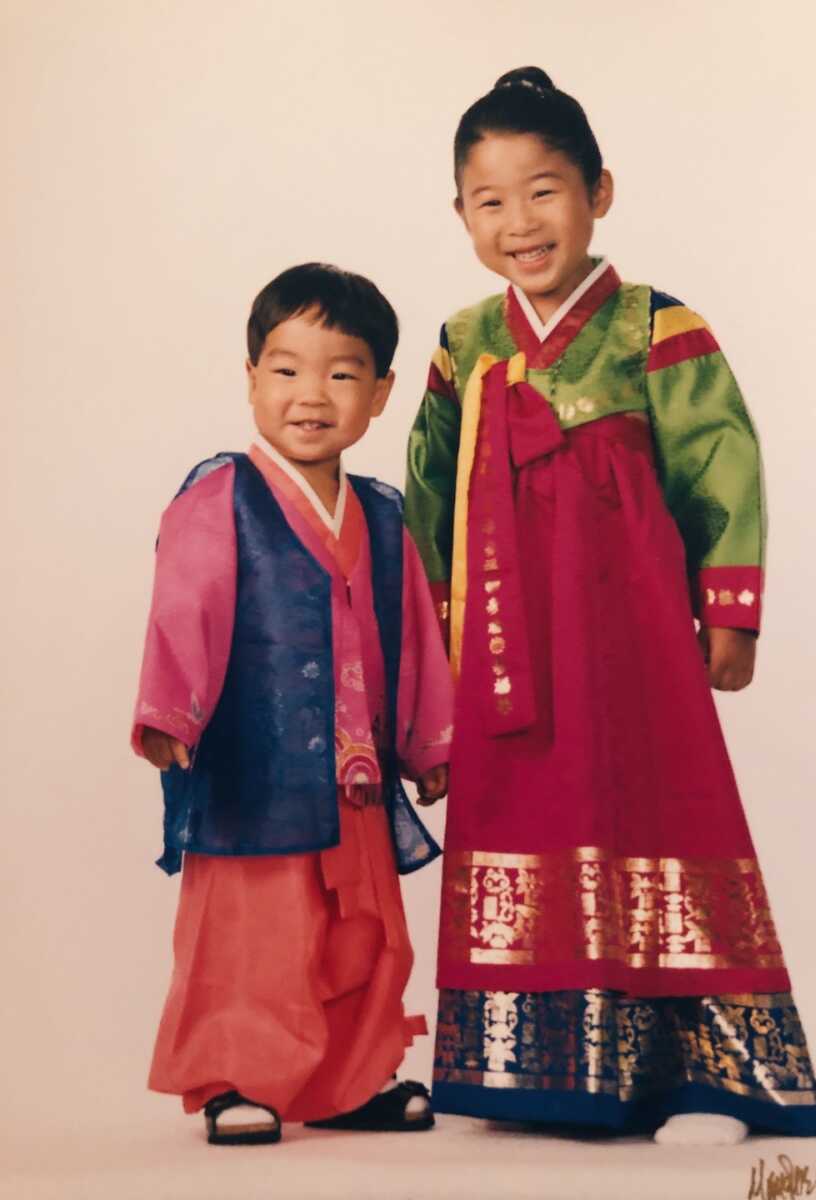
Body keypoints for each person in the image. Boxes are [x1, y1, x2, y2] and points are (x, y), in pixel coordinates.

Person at [405, 67, 816, 1146]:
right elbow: (425, 506)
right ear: (461, 216)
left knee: (658, 812)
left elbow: (719, 466)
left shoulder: (654, 326)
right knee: (525, 820)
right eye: (489, 202)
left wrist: (728, 609)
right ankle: (526, 1074)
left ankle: (700, 1075)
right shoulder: (464, 344)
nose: (519, 222)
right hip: (507, 650)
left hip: (633, 641)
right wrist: (427, 657)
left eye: (543, 191)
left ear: (600, 191)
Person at [133, 263, 453, 1145]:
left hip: (355, 770)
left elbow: (417, 634)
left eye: (342, 373)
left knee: (362, 932)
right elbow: (185, 605)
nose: (311, 394)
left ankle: (351, 1078)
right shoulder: (220, 496)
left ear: (381, 392)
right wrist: (171, 715)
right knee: (251, 931)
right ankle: (236, 1076)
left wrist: (433, 744)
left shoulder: (383, 515)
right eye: (286, 369)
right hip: (252, 764)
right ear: (249, 377)